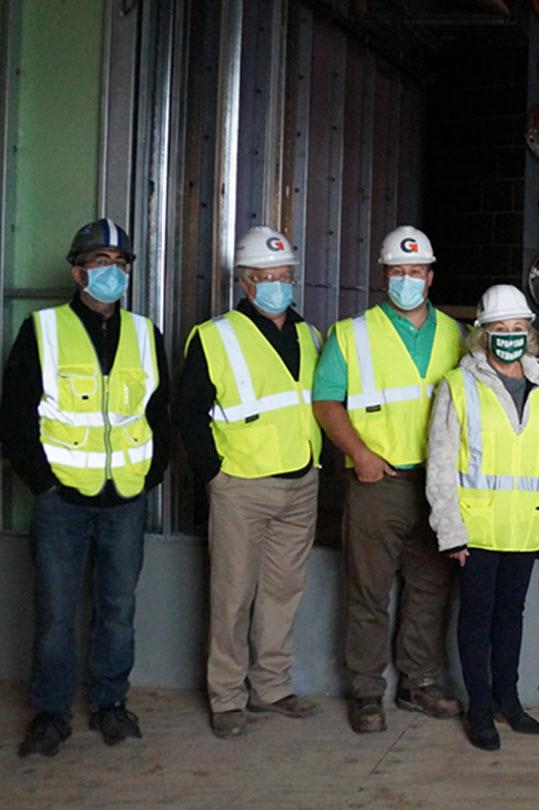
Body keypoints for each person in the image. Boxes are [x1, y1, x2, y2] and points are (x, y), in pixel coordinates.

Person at [0, 219, 170, 757]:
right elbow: (15, 416)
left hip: (125, 500)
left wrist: (151, 474)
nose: (111, 273)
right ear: (77, 273)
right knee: (54, 612)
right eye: (100, 263)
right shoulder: (43, 329)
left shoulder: (146, 334)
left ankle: (109, 704)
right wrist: (44, 484)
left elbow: (158, 415)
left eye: (120, 265)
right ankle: (51, 713)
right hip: (62, 502)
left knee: (117, 609)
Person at [312, 225, 464, 733]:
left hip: (438, 484)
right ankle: (366, 691)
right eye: (398, 271)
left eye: (415, 271)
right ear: (384, 277)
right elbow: (326, 399)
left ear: (430, 275)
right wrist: (359, 453)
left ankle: (419, 682)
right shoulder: (352, 333)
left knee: (430, 586)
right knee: (368, 590)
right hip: (378, 480)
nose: (407, 279)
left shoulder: (455, 334)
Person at [178, 227, 324, 738]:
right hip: (241, 483)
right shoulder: (213, 336)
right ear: (245, 284)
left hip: (301, 481)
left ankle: (273, 687)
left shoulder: (309, 335)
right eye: (266, 278)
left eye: (285, 276)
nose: (278, 286)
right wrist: (214, 475)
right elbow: (189, 414)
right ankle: (226, 696)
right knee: (232, 595)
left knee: (284, 591)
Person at [426, 284, 539, 751]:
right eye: (499, 328)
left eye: (516, 328)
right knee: (477, 617)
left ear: (529, 332)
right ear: (482, 334)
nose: (508, 335)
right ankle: (480, 707)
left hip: (526, 525)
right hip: (478, 526)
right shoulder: (458, 384)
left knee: (512, 615)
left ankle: (509, 698)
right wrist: (450, 530)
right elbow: (441, 463)